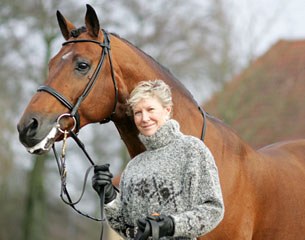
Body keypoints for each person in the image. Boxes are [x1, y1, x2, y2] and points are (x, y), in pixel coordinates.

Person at [92, 80, 224, 240]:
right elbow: (125, 228)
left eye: (150, 109)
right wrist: (109, 197)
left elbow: (213, 209)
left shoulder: (192, 150)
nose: (144, 118)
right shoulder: (134, 166)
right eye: (138, 112)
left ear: (167, 110)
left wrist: (171, 225)